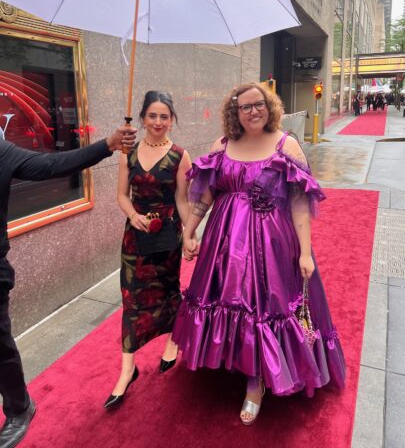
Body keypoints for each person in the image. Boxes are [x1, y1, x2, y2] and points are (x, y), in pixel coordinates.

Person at [172, 83, 345, 425]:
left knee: (266, 308)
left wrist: (306, 253)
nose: (254, 111)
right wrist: (189, 229)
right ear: (234, 113)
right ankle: (231, 357)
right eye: (245, 106)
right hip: (224, 245)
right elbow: (204, 195)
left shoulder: (287, 145)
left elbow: (298, 202)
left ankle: (257, 382)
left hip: (272, 247)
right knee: (227, 303)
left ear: (270, 107)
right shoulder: (221, 146)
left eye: (260, 104)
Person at [0, 125, 137, 448]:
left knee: (0, 345)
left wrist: (108, 144)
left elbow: (52, 166)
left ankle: (19, 409)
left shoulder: (2, 152)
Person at [104, 91, 191, 409]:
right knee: (132, 299)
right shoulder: (128, 153)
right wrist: (133, 215)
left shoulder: (181, 155)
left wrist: (191, 234)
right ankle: (128, 369)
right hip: (135, 237)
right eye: (152, 116)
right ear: (142, 119)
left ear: (172, 120)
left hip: (168, 236)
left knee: (169, 291)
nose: (158, 122)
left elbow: (183, 200)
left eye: (164, 116)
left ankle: (172, 340)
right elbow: (121, 195)